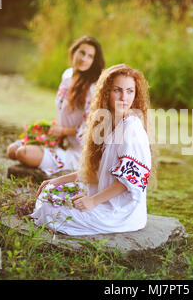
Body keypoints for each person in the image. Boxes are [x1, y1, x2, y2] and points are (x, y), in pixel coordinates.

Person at [31, 64, 152, 235]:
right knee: (48, 195)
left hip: (121, 211)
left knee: (53, 212)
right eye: (117, 90)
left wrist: (93, 201)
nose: (124, 97)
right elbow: (96, 172)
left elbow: (130, 180)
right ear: (106, 92)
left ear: (136, 93)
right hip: (102, 198)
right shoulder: (107, 123)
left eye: (130, 91)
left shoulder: (132, 127)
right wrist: (57, 181)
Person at [6, 36, 105, 176]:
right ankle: (48, 152)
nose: (84, 59)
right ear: (74, 52)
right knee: (12, 150)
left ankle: (56, 160)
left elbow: (89, 129)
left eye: (90, 56)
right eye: (82, 53)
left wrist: (62, 130)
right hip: (62, 139)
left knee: (22, 153)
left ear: (94, 61)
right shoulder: (67, 75)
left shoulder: (93, 88)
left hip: (80, 150)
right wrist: (53, 130)